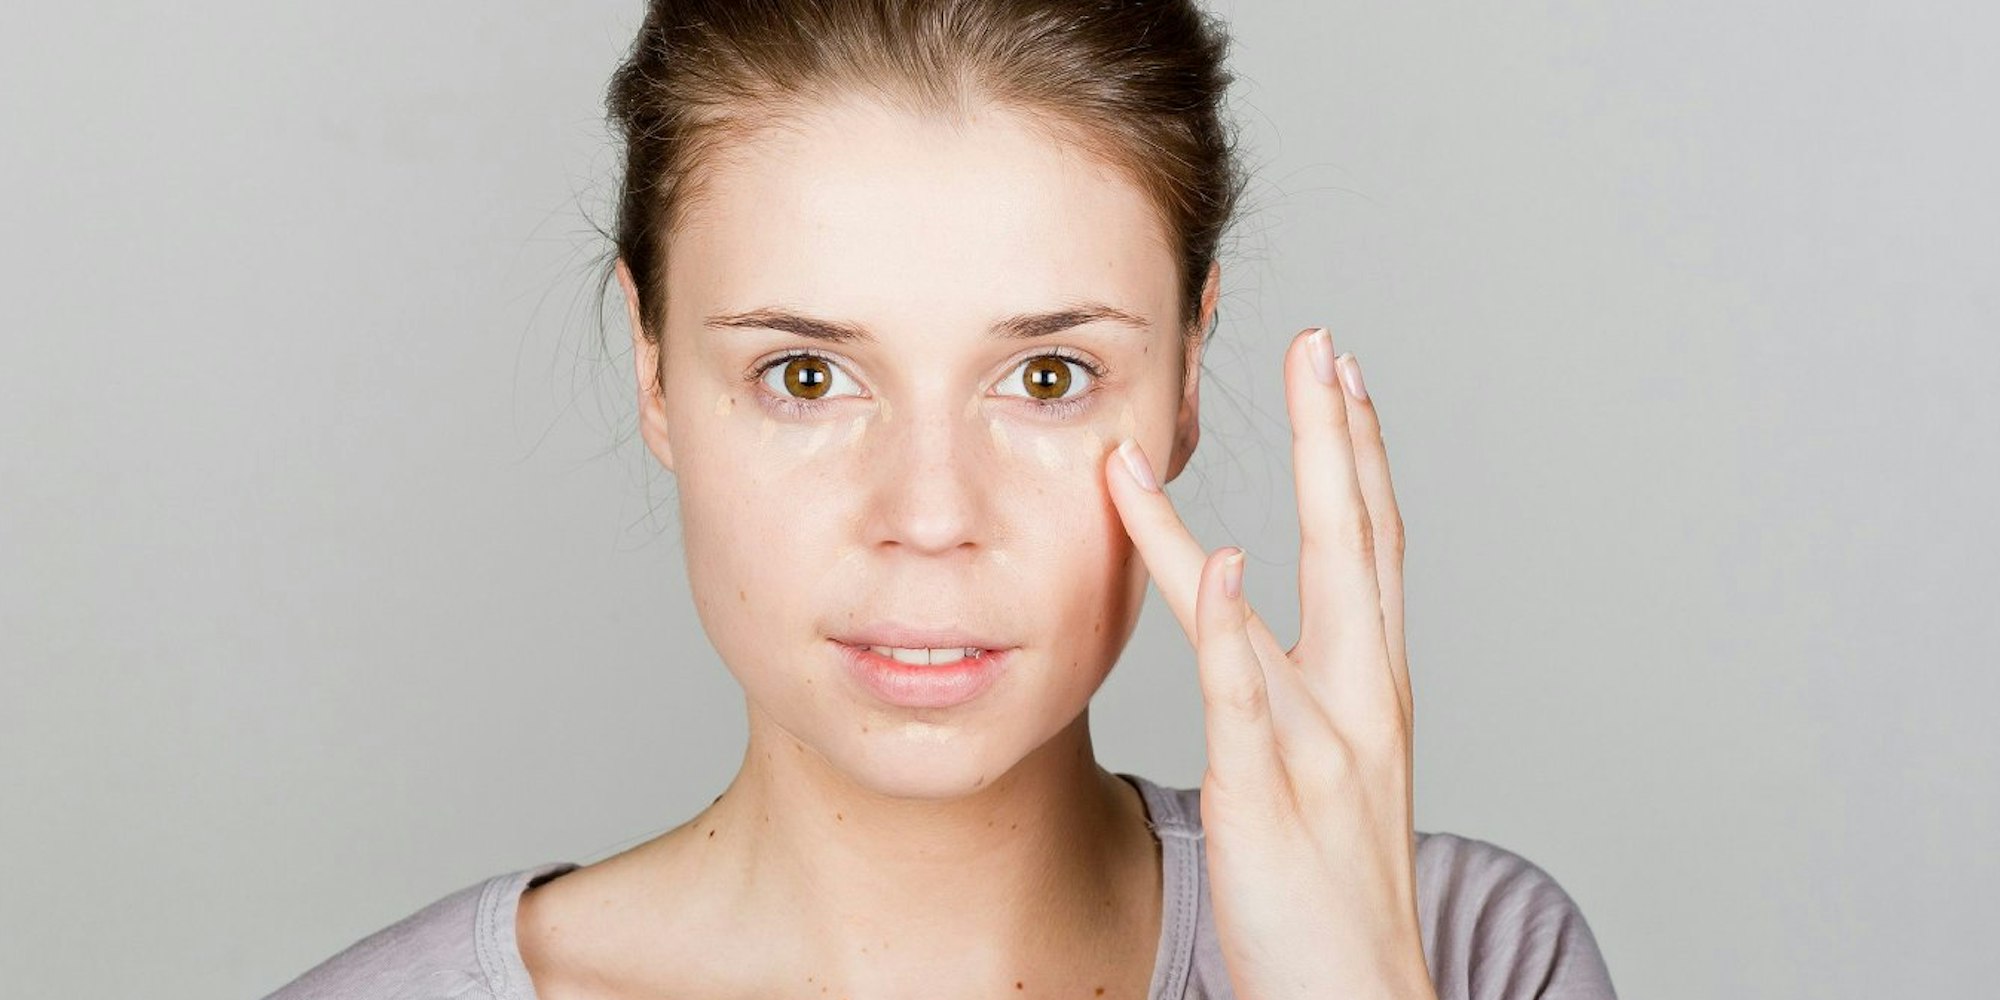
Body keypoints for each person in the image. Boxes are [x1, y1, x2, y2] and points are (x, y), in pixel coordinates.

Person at [262, 2, 1617, 998]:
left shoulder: (1471, 955)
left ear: (1187, 374)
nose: (927, 515)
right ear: (654, 367)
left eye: (1046, 377)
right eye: (805, 376)